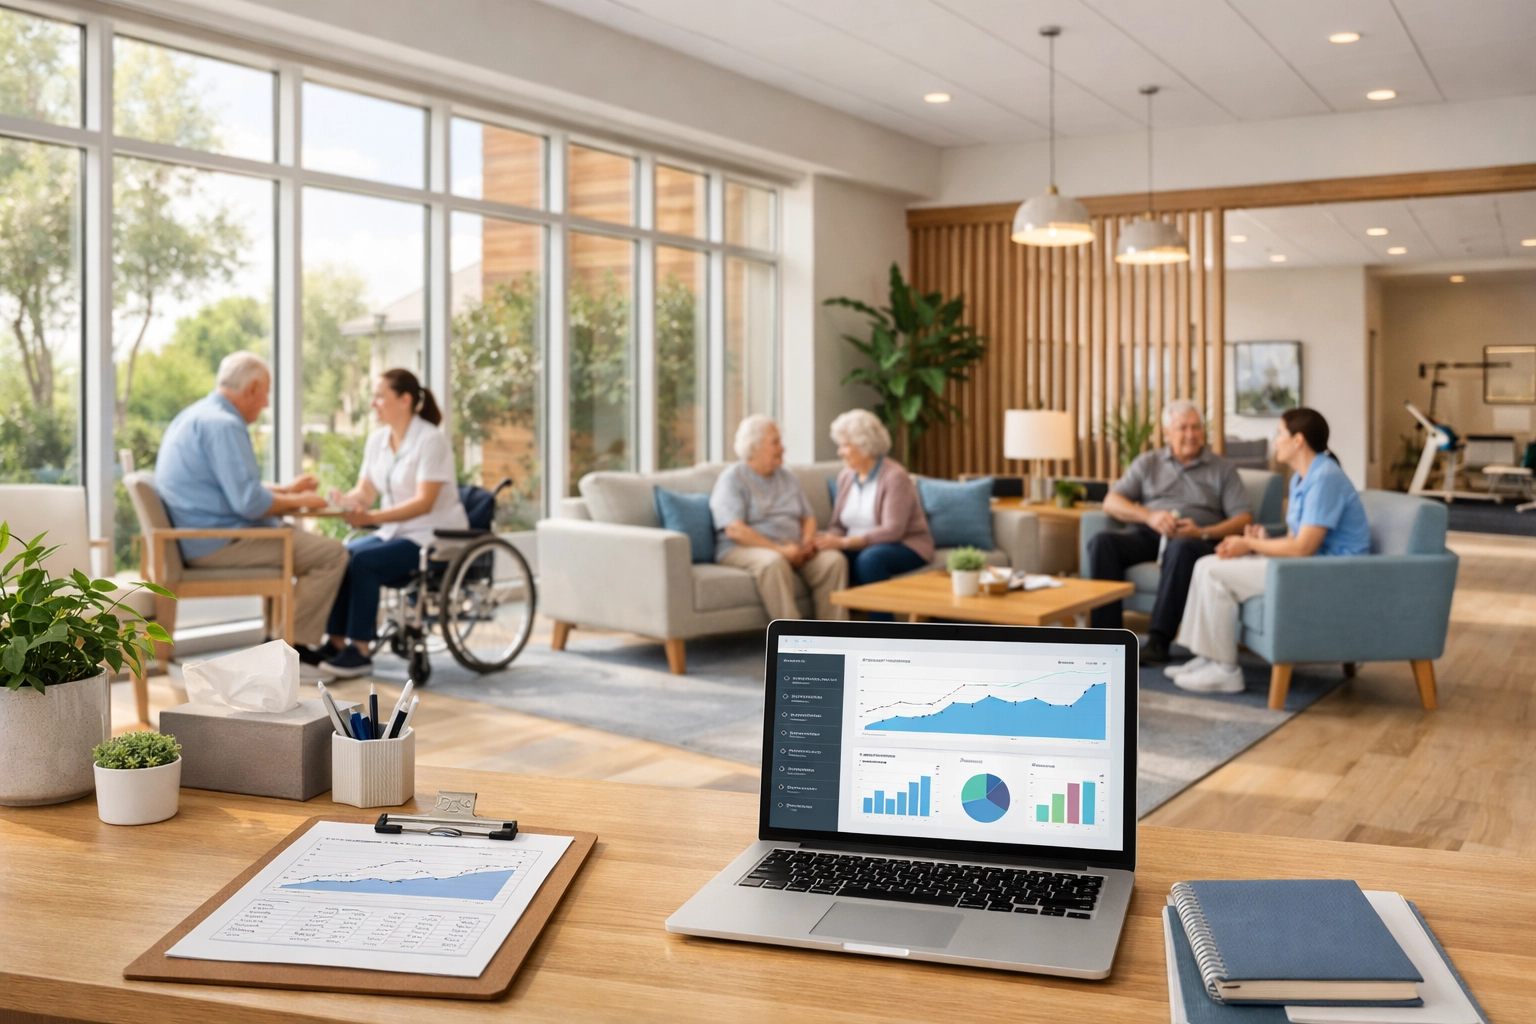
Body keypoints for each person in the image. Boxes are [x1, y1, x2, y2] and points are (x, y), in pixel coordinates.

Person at [155, 352, 348, 653]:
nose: (266, 403)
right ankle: (291, 650)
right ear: (253, 388)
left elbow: (231, 487)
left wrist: (284, 489)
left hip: (195, 537)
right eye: (266, 393)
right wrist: (299, 499)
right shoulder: (225, 425)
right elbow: (249, 503)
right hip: (216, 543)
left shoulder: (195, 415)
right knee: (331, 554)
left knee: (293, 536)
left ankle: (275, 643)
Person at [1168, 407, 1371, 694]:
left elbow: (1303, 548)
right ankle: (1209, 657)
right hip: (1308, 566)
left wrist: (1250, 544)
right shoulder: (1302, 477)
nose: (1275, 441)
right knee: (1206, 563)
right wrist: (1263, 538)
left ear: (1298, 440)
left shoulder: (1325, 477)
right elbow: (1295, 539)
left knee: (1215, 572)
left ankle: (1226, 670)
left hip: (1330, 574)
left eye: (1280, 434)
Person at [315, 369, 469, 679]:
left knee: (365, 561)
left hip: (432, 536)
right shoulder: (378, 440)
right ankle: (335, 643)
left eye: (379, 396)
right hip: (394, 532)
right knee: (342, 554)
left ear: (405, 400)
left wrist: (370, 518)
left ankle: (360, 651)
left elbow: (424, 502)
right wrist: (345, 499)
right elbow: (367, 491)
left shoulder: (430, 440)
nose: (373, 403)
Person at [1087, 400, 1253, 664]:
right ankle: (1107, 642)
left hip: (1197, 539)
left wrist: (1202, 531)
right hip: (1151, 534)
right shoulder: (1148, 463)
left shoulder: (1223, 469)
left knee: (1182, 546)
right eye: (1182, 427)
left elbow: (1243, 518)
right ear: (1166, 432)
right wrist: (1150, 516)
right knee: (1102, 542)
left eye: (1196, 427)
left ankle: (1158, 641)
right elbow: (1111, 501)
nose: (1190, 434)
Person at [710, 415, 849, 621]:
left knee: (832, 561)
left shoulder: (788, 477)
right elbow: (735, 530)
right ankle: (792, 642)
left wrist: (807, 542)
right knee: (772, 562)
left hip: (793, 546)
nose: (782, 448)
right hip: (744, 548)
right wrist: (781, 551)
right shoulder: (733, 479)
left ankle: (833, 638)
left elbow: (807, 517)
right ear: (753, 447)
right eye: (775, 442)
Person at [814, 410, 933, 620]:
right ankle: (832, 630)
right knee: (828, 557)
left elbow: (893, 530)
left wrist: (844, 542)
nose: (840, 452)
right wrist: (826, 541)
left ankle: (882, 633)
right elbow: (837, 526)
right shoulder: (845, 476)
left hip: (904, 545)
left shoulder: (894, 476)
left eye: (845, 445)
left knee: (870, 559)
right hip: (856, 545)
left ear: (864, 446)